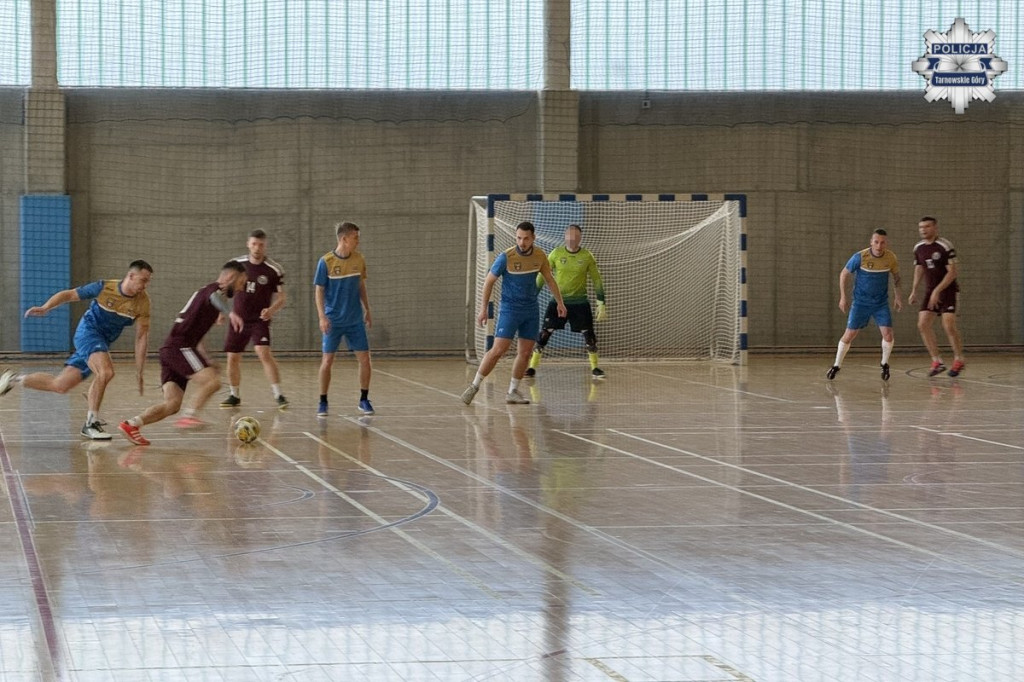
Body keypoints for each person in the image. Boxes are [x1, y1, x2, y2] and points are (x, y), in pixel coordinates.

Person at [0, 260, 153, 440]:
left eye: (148, 281)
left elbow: (141, 337)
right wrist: (46, 307)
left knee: (60, 385)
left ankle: (14, 379)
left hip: (101, 343)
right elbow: (69, 294)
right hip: (88, 333)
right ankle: (91, 424)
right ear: (131, 276)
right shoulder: (104, 287)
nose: (145, 285)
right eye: (143, 280)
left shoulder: (143, 303)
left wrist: (140, 371)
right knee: (106, 372)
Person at [117, 261, 246, 446]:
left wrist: (207, 358)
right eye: (241, 283)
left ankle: (131, 424)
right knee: (213, 382)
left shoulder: (209, 299)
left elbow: (197, 333)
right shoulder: (213, 290)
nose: (241, 288)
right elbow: (215, 297)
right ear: (231, 277)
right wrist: (231, 313)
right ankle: (190, 416)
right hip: (180, 347)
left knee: (172, 404)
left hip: (171, 349)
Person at [462, 221, 566, 405]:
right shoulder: (506, 257)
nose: (522, 242)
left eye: (526, 238)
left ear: (533, 238)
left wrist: (560, 302)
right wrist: (483, 309)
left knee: (525, 353)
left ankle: (512, 391)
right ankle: (474, 385)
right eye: (518, 238)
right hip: (510, 310)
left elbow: (550, 279)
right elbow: (489, 282)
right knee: (498, 350)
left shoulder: (540, 256)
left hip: (531, 311)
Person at [526, 223, 607, 379]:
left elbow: (597, 279)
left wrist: (601, 302)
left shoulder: (587, 256)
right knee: (544, 334)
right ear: (565, 237)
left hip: (580, 303)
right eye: (569, 235)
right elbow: (543, 275)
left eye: (575, 235)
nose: (572, 238)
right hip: (558, 302)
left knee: (589, 336)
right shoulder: (556, 254)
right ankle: (532, 367)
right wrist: (532, 296)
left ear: (580, 238)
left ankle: (595, 368)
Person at [219, 229, 289, 409]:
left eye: (261, 245)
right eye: (254, 244)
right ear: (248, 244)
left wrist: (271, 310)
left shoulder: (274, 269)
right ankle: (234, 395)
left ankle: (279, 395)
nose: (257, 248)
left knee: (263, 352)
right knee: (233, 357)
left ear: (266, 246)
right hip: (239, 318)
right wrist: (222, 312)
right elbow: (224, 290)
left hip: (259, 319)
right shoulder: (236, 265)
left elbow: (282, 298)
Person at [826, 228, 903, 381]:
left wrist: (898, 297)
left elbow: (897, 278)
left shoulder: (891, 258)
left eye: (882, 243)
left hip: (880, 303)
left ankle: (884, 364)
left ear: (886, 243)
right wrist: (843, 297)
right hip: (861, 303)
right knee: (849, 334)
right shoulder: (860, 257)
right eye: (876, 242)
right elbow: (844, 274)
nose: (879, 246)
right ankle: (836, 365)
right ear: (871, 242)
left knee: (888, 334)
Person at [314, 222, 374, 418]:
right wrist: (322, 316)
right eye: (356, 237)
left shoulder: (359, 259)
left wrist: (367, 309)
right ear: (344, 239)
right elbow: (319, 291)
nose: (358, 241)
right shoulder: (326, 262)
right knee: (327, 360)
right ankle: (323, 401)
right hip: (333, 320)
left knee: (365, 359)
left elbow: (361, 286)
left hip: (354, 320)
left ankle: (364, 399)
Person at [908, 216, 965, 377]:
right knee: (923, 324)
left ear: (935, 228)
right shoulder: (918, 248)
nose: (923, 230)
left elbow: (953, 272)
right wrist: (914, 290)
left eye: (927, 226)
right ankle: (937, 361)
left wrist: (937, 291)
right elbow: (919, 268)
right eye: (921, 227)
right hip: (930, 290)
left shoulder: (944, 246)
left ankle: (959, 359)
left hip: (948, 290)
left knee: (948, 325)